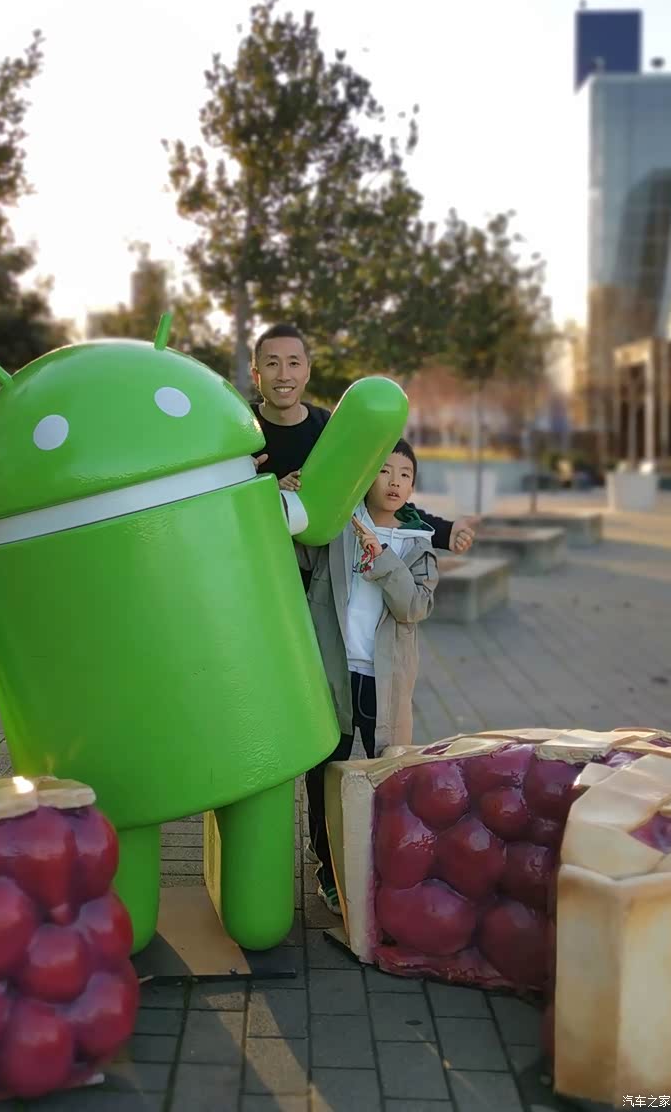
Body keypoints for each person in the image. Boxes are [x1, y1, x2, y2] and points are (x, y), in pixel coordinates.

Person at [297, 438, 438, 914]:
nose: (395, 482)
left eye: (406, 475)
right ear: (367, 475)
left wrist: (382, 558)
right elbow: (295, 553)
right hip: (334, 674)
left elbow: (413, 607)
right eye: (385, 471)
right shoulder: (338, 525)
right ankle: (328, 868)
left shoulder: (417, 544)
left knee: (388, 775)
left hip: (385, 683)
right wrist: (293, 498)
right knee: (324, 773)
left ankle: (383, 868)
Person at [249, 323, 479, 586]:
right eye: (272, 364)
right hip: (252, 573)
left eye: (293, 363)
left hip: (320, 585)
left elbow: (374, 495)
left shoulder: (331, 431)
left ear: (307, 371)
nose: (283, 375)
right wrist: (266, 489)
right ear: (256, 375)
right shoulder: (237, 431)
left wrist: (445, 532)